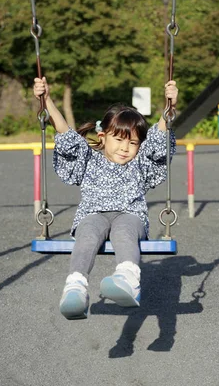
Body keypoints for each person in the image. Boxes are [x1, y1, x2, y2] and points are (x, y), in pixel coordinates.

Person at [33, 76, 178, 320]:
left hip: (130, 215)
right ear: (103, 137)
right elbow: (67, 136)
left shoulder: (140, 163)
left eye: (132, 142)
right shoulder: (89, 159)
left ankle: (127, 279)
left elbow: (156, 142)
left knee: (124, 231)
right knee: (86, 232)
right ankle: (76, 288)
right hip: (94, 213)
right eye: (119, 139)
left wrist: (169, 109)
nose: (125, 148)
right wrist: (47, 101)